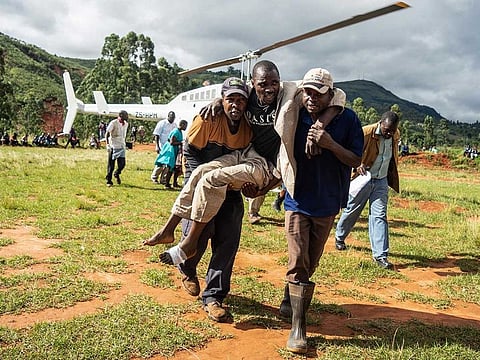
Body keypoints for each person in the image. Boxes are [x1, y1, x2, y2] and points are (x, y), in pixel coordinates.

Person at [145, 61, 344, 264]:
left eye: (274, 82)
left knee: (212, 179)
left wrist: (319, 125)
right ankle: (168, 230)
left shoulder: (290, 94)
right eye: (263, 83)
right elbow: (230, 97)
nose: (269, 88)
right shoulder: (246, 95)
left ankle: (189, 244)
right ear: (252, 84)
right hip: (248, 153)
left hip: (267, 166)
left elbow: (338, 94)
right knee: (201, 172)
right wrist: (217, 101)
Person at [274, 68, 364, 354]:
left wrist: (329, 144)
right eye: (308, 92)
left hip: (327, 202)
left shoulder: (347, 119)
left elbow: (355, 158)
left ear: (330, 95)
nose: (311, 98)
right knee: (299, 259)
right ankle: (298, 328)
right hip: (297, 199)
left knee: (310, 262)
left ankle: (290, 296)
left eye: (317, 93)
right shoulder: (295, 113)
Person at [152, 77, 252, 322]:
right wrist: (195, 185)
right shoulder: (207, 118)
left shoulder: (249, 125)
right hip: (203, 181)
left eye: (241, 100)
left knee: (228, 240)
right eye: (230, 99)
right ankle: (187, 267)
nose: (236, 105)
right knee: (202, 231)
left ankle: (214, 297)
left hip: (230, 188)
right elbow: (190, 151)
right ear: (223, 100)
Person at [334, 111, 400, 270]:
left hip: (381, 181)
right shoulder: (365, 132)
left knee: (379, 215)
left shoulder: (395, 134)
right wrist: (357, 164)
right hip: (364, 179)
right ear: (380, 123)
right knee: (352, 210)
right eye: (386, 130)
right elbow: (348, 150)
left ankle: (380, 256)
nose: (389, 133)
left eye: (392, 130)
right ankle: (339, 236)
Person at [151, 120, 188, 187]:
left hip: (175, 150)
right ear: (182, 124)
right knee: (170, 166)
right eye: (185, 125)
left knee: (176, 167)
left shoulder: (179, 131)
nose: (186, 127)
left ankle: (174, 183)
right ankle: (166, 183)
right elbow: (171, 142)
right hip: (171, 149)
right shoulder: (176, 131)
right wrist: (181, 142)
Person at [105, 110, 129, 187]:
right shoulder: (113, 123)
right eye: (126, 115)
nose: (127, 117)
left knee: (122, 164)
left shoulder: (126, 124)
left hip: (121, 145)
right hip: (113, 145)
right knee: (111, 164)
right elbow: (107, 133)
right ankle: (109, 180)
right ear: (121, 115)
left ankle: (117, 173)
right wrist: (107, 144)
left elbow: (124, 135)